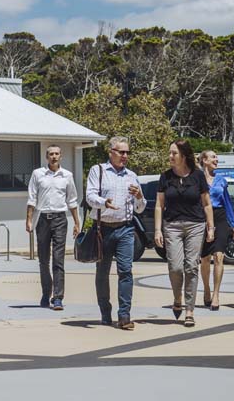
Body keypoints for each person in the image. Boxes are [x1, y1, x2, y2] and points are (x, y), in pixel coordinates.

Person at [86, 136, 146, 330]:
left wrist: (139, 197)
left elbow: (140, 208)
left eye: (127, 152)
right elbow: (90, 197)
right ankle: (105, 312)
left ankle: (124, 315)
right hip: (102, 229)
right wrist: (104, 202)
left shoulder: (132, 175)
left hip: (125, 229)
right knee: (102, 273)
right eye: (121, 152)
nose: (125, 156)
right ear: (110, 152)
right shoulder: (99, 171)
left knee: (126, 271)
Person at [154, 140, 214, 327]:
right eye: (170, 153)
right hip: (171, 226)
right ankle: (177, 296)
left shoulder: (197, 176)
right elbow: (159, 205)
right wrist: (158, 229)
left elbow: (206, 203)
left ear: (184, 155)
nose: (170, 156)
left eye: (174, 153)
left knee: (191, 266)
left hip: (196, 225)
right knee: (175, 267)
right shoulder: (165, 177)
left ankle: (189, 310)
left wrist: (210, 227)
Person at [26, 145, 80, 311]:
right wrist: (29, 219)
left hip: (60, 219)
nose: (54, 157)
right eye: (51, 154)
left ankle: (58, 297)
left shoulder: (67, 176)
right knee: (43, 260)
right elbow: (32, 197)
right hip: (42, 219)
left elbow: (72, 200)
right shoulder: (38, 174)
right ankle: (45, 292)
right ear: (46, 157)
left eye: (56, 154)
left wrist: (77, 222)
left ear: (61, 156)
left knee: (58, 259)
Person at [198, 150, 234, 311]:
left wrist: (233, 224)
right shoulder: (197, 179)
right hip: (202, 218)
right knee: (205, 258)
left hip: (220, 217)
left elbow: (227, 203)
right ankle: (206, 289)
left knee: (219, 256)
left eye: (217, 157)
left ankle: (216, 294)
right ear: (204, 160)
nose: (216, 159)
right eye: (213, 157)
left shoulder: (222, 181)